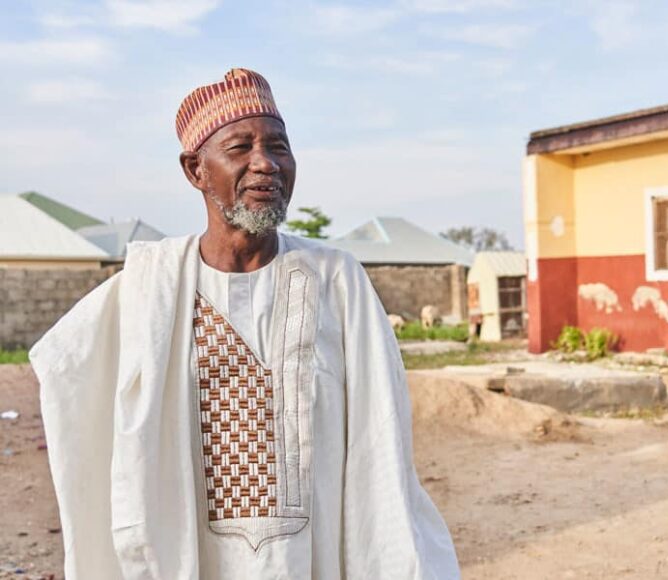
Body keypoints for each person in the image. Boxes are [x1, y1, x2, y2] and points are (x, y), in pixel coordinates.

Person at [30, 68, 460, 579]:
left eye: (278, 147)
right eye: (240, 148)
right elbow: (65, 366)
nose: (266, 164)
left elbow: (379, 439)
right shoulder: (149, 289)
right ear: (195, 170)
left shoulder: (336, 281)